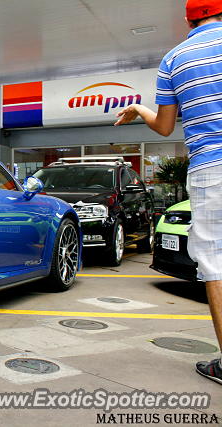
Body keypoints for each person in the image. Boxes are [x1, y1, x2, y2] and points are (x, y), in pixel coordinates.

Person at [114, 0, 222, 385]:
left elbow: (164, 127)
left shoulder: (175, 59)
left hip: (212, 166)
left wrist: (139, 109)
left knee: (215, 261)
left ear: (188, 19)